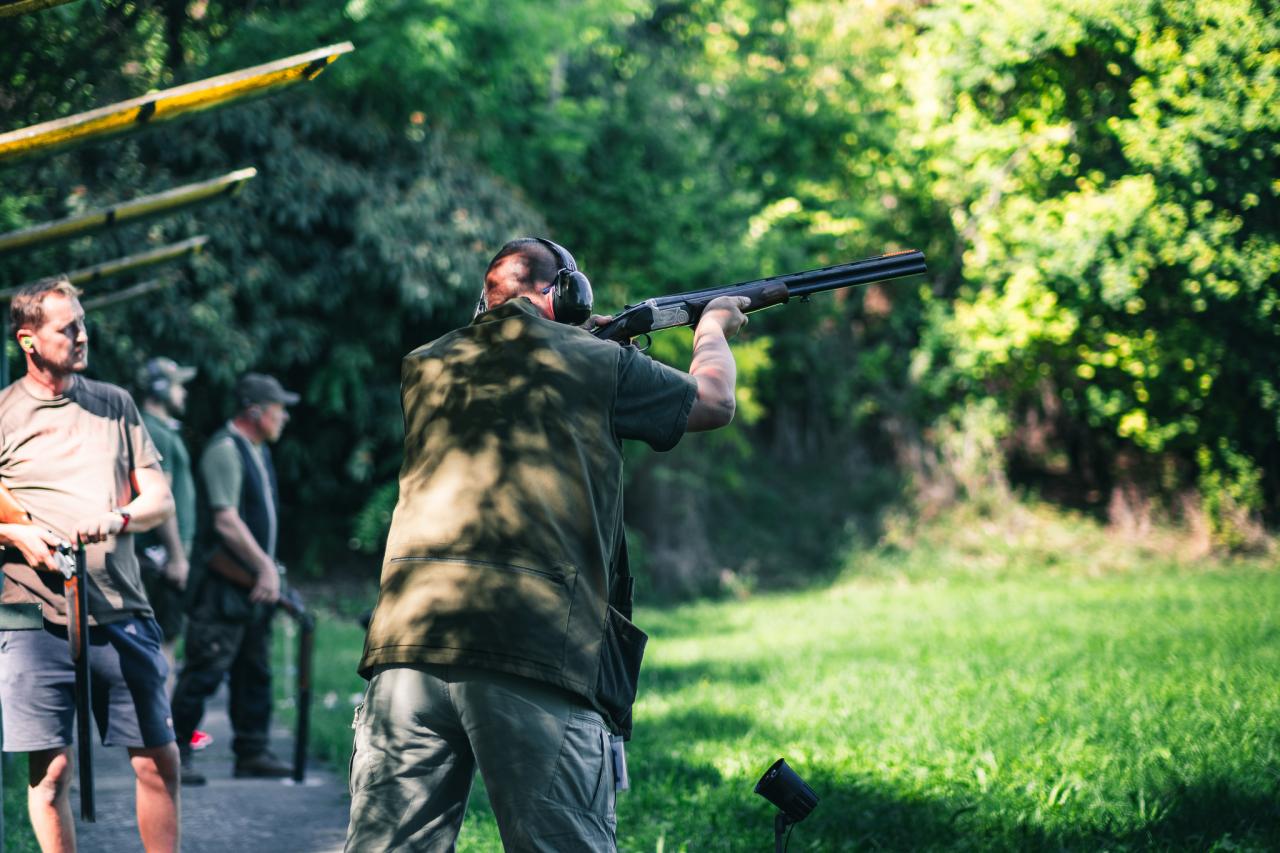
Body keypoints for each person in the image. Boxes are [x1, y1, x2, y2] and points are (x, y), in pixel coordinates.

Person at [345, 238, 749, 851]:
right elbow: (714, 402)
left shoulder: (425, 364)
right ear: (567, 294)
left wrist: (585, 337)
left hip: (408, 642)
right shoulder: (597, 362)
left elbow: (519, 376)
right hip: (532, 643)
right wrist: (712, 327)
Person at [0, 276, 181, 852]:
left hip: (121, 605)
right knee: (51, 773)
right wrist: (16, 534)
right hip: (32, 616)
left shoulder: (116, 403)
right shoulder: (2, 413)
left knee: (157, 760)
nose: (82, 335)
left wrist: (120, 517)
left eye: (83, 323)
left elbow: (160, 499)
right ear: (28, 340)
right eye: (68, 327)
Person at [170, 372, 298, 786]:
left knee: (254, 671)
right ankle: (173, 754)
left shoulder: (256, 450)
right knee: (204, 671)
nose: (284, 417)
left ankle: (252, 752)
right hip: (222, 586)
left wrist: (267, 570)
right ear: (255, 411)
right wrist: (265, 567)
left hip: (250, 586)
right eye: (278, 409)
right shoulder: (225, 450)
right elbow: (225, 521)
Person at [134, 358, 197, 687]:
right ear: (160, 389)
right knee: (162, 647)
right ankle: (160, 718)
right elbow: (160, 497)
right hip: (159, 559)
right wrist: (176, 556)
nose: (184, 393)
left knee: (163, 645)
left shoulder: (159, 429)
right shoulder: (155, 432)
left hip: (160, 557)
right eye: (178, 385)